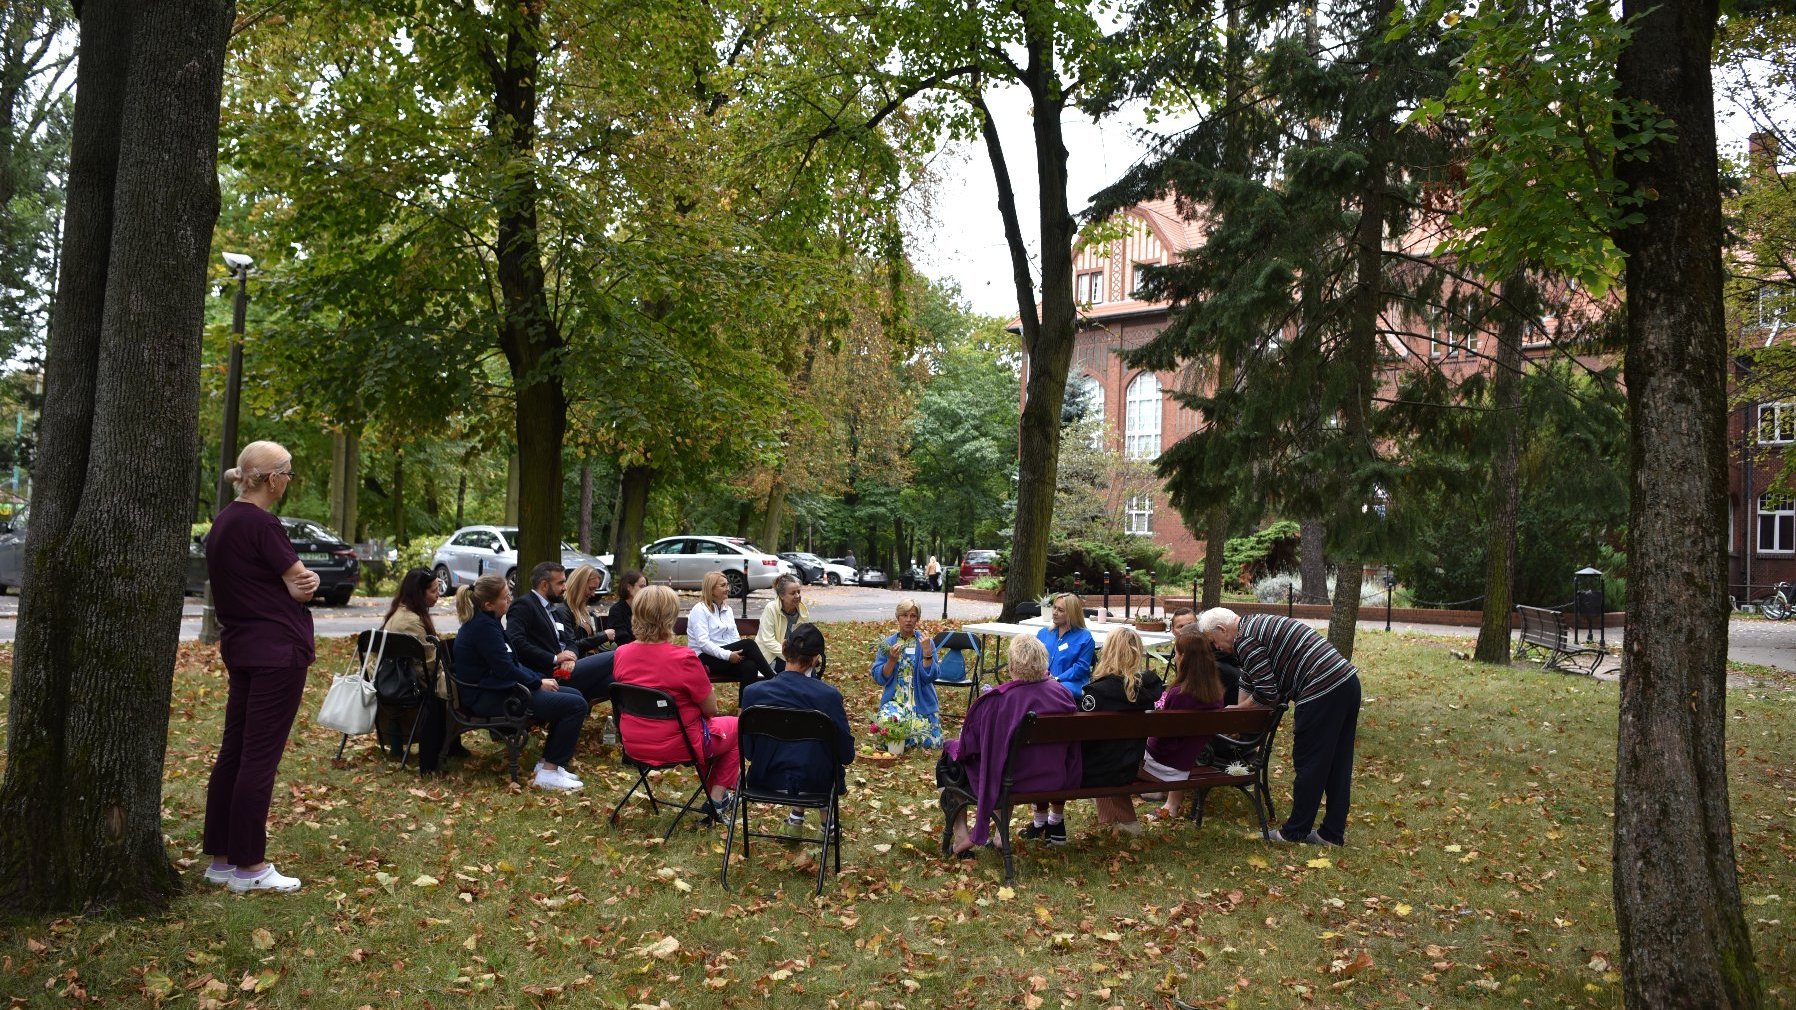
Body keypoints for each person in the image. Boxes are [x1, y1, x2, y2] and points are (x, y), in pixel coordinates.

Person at [202, 441, 318, 894]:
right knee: (258, 757)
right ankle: (250, 866)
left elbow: (294, 579)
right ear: (271, 479)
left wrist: (297, 583)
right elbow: (301, 583)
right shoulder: (263, 524)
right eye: (287, 473)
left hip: (243, 647)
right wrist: (299, 587)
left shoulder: (225, 521)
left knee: (234, 751)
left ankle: (222, 857)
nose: (289, 481)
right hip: (277, 652)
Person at [1198, 607, 1361, 846]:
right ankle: (1332, 834)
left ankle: (1295, 832)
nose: (1217, 648)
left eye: (1214, 642)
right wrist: (1240, 712)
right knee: (1338, 763)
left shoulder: (1244, 640)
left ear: (1222, 629)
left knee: (1310, 763)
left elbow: (1267, 693)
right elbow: (1249, 676)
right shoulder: (1253, 625)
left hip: (1321, 691)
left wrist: (1238, 712)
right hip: (1347, 683)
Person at [938, 636, 1080, 858]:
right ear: (1044, 662)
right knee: (1009, 758)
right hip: (1053, 777)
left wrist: (951, 746)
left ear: (1012, 666)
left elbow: (969, 748)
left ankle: (961, 834)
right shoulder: (1062, 694)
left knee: (949, 763)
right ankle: (998, 836)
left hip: (1011, 781)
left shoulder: (998, 701)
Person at [454, 574, 590, 791]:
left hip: (503, 691)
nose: (509, 600)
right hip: (490, 698)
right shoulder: (483, 627)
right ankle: (549, 772)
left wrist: (538, 679)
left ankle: (548, 764)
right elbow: (505, 668)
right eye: (505, 597)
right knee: (575, 705)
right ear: (489, 604)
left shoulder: (489, 622)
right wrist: (537, 683)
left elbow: (510, 663)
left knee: (575, 696)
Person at [613, 585, 740, 810]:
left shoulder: (621, 653)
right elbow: (710, 709)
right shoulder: (683, 658)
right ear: (670, 617)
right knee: (737, 727)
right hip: (679, 745)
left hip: (634, 744)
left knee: (712, 730)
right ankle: (718, 798)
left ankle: (714, 795)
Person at [740, 623, 855, 828]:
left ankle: (796, 819)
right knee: (824, 752)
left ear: (784, 650)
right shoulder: (828, 696)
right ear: (815, 659)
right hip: (816, 784)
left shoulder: (752, 693)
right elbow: (846, 753)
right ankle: (826, 825)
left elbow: (748, 751)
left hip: (764, 780)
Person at [1074, 626, 1165, 836]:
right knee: (1110, 754)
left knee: (1100, 754)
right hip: (1130, 764)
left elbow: (1081, 736)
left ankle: (1123, 824)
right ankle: (1115, 822)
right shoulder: (1147, 690)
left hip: (1097, 769)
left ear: (1108, 651)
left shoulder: (1096, 693)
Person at [1141, 625, 1229, 822]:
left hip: (1164, 762)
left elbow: (1164, 740)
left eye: (1177, 653)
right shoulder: (1216, 693)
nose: (1174, 658)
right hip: (1188, 760)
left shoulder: (1180, 693)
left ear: (1185, 658)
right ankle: (1171, 804)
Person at [378, 567, 458, 773]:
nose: (438, 594)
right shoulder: (411, 622)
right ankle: (451, 742)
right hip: (408, 682)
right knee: (457, 683)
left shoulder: (400, 612)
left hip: (397, 676)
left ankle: (453, 743)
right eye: (433, 591)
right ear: (418, 593)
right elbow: (429, 664)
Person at [506, 561, 615, 705]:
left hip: (566, 668)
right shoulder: (524, 605)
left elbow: (569, 642)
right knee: (617, 655)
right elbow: (516, 642)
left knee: (616, 681)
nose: (565, 587)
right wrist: (555, 658)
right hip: (548, 674)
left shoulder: (552, 609)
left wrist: (569, 657)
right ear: (544, 585)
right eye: (561, 583)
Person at [870, 598, 942, 747]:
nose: (908, 620)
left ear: (918, 618)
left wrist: (927, 653)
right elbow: (879, 678)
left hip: (921, 701)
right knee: (888, 724)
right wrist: (891, 660)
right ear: (898, 617)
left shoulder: (925, 642)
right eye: (904, 615)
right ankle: (902, 738)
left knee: (930, 741)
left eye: (913, 616)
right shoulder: (888, 643)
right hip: (895, 700)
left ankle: (904, 739)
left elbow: (931, 677)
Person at [688, 571, 775, 684]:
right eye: (723, 585)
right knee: (749, 644)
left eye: (727, 584)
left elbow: (734, 637)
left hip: (724, 656)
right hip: (705, 658)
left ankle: (746, 702)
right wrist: (728, 655)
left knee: (750, 666)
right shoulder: (700, 609)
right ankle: (775, 681)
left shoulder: (727, 610)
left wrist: (738, 654)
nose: (728, 588)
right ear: (711, 589)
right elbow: (703, 644)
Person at [1035, 593, 1095, 699]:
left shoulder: (1085, 638)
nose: (1055, 613)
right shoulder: (1043, 633)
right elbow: (1034, 660)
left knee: (1051, 690)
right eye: (1054, 608)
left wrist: (1057, 679)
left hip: (1070, 685)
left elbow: (1081, 668)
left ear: (1072, 614)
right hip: (1043, 683)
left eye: (1060, 610)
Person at [553, 563, 616, 656]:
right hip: (574, 662)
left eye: (595, 589)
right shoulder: (562, 610)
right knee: (612, 657)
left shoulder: (580, 609)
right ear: (579, 585)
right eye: (591, 589)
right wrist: (603, 636)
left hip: (585, 659)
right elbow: (571, 646)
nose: (593, 594)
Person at [755, 574, 810, 673]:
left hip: (794, 657)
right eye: (793, 593)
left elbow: (804, 638)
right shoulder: (771, 608)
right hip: (772, 656)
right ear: (781, 595)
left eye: (798, 592)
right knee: (794, 674)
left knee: (810, 671)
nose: (797, 596)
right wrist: (791, 657)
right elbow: (768, 641)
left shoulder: (802, 610)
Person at [606, 569, 646, 647]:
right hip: (627, 653)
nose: (645, 590)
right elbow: (622, 641)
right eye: (641, 586)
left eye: (645, 587)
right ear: (629, 587)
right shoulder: (617, 610)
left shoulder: (645, 608)